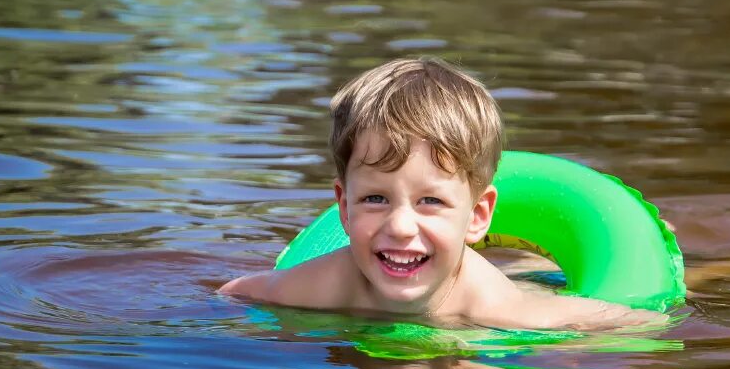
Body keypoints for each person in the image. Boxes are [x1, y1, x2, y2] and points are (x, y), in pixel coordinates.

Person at [219, 57, 665, 331]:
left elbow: (638, 323)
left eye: (429, 201)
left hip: (511, 294)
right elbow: (235, 292)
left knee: (533, 282)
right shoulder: (321, 286)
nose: (399, 226)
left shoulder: (499, 310)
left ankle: (533, 262)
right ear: (344, 207)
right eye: (376, 198)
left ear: (477, 215)